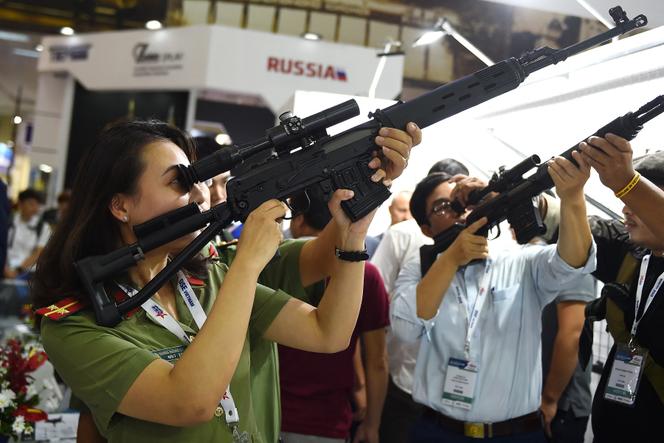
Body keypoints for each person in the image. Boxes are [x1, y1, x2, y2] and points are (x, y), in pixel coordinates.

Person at [33, 119, 420, 443]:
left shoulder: (211, 276)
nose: (201, 194)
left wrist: (352, 236)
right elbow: (190, 401)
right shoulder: (72, 325)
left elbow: (328, 334)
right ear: (120, 205)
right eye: (180, 183)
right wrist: (248, 264)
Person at [390, 149, 595, 442]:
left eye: (465, 202)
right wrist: (449, 261)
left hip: (515, 432)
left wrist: (573, 197)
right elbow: (405, 329)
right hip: (437, 430)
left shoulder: (519, 259)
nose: (461, 210)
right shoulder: (422, 266)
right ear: (426, 227)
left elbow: (574, 261)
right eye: (444, 206)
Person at [574, 134, 664, 442]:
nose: (626, 209)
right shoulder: (633, 255)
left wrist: (626, 181)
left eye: (639, 200)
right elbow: (577, 227)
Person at [279, 192, 389, 443]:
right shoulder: (366, 275)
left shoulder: (271, 264)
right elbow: (378, 360)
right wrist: (373, 424)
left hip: (267, 412)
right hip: (327, 419)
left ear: (298, 220)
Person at [374, 159, 469, 443]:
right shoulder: (403, 235)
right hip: (407, 380)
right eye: (445, 201)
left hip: (462, 391)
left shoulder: (485, 240)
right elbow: (376, 303)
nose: (456, 206)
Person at [5, 188, 50, 278]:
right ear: (20, 204)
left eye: (37, 205)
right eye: (31, 204)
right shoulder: (8, 222)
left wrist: (18, 270)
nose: (35, 208)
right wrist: (5, 269)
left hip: (28, 274)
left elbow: (38, 253)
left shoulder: (43, 227)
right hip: (5, 270)